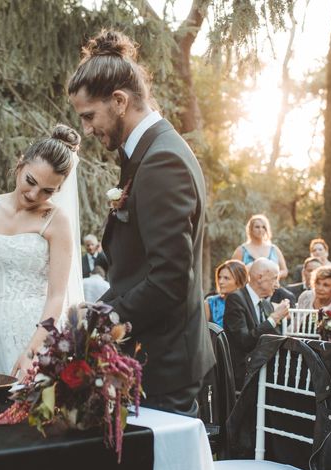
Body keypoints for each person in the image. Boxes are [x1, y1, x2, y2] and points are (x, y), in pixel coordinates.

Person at [68, 30, 214, 416]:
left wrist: (102, 320)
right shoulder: (146, 154)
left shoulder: (161, 161)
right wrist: (96, 308)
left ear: (119, 101)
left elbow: (169, 280)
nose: (87, 130)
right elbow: (138, 270)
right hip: (149, 355)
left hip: (163, 367)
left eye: (89, 116)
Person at [0, 125, 82, 377]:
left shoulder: (57, 221)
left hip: (33, 330)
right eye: (30, 181)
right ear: (20, 164)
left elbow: (56, 296)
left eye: (48, 191)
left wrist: (33, 351)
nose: (34, 194)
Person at [223, 258, 290, 390]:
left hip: (264, 369)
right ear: (260, 277)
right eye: (274, 279)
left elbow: (273, 339)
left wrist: (283, 321)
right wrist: (274, 318)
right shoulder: (236, 299)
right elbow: (244, 342)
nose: (277, 285)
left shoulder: (265, 303)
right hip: (242, 373)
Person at [231, 214, 288, 279]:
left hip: (272, 287)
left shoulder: (274, 249)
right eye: (257, 227)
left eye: (263, 227)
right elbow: (233, 272)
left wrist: (276, 276)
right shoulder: (241, 250)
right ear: (250, 229)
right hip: (248, 288)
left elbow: (284, 271)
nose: (260, 230)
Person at [204, 260, 248, 327]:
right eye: (219, 277)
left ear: (239, 281)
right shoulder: (210, 303)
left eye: (226, 278)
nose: (220, 281)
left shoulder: (247, 304)